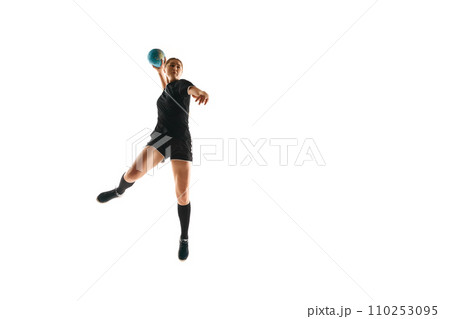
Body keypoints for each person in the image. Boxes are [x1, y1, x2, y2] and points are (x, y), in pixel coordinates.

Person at [97, 57, 209, 261]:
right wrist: (159, 73)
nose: (175, 67)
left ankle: (184, 237)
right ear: (166, 70)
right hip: (160, 138)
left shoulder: (183, 85)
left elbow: (191, 89)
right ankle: (118, 191)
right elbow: (167, 89)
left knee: (182, 196)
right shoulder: (167, 89)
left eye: (178, 66)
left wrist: (200, 92)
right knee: (132, 174)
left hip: (180, 140)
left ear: (181, 71)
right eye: (171, 65)